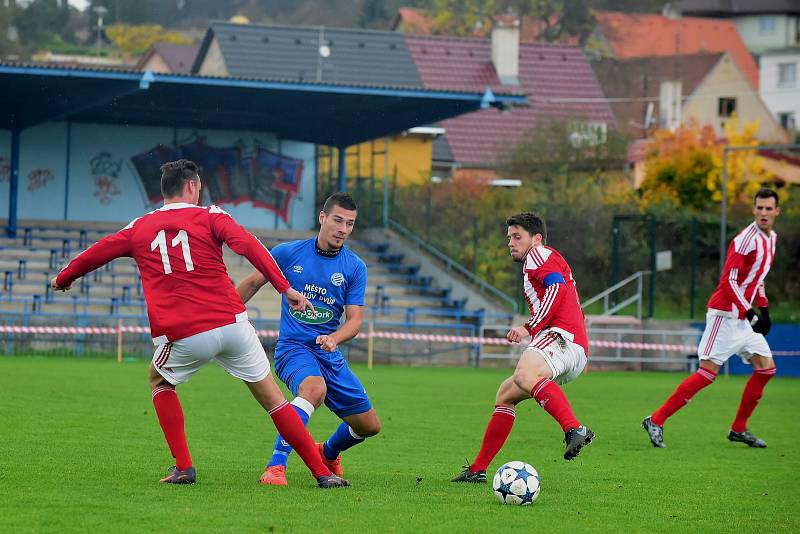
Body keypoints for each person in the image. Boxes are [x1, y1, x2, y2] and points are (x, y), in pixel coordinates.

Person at [52, 159, 347, 488]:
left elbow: (98, 252)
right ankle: (322, 474)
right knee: (276, 401)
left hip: (185, 332)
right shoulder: (212, 216)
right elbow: (251, 247)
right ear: (192, 186)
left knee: (159, 381)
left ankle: (184, 467)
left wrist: (65, 277)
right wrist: (285, 287)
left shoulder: (139, 228)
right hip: (234, 324)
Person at [236, 192, 380, 486]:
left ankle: (327, 452)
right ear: (322, 218)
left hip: (329, 353)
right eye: (338, 220)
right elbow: (250, 284)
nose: (343, 229)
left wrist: (335, 338)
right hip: (294, 349)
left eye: (350, 224)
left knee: (368, 426)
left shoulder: (354, 267)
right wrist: (222, 319)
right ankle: (276, 467)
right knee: (314, 388)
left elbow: (354, 320)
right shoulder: (288, 253)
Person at [452, 212, 593, 483]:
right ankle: (478, 469)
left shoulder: (538, 254)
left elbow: (557, 289)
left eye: (517, 237)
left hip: (561, 336)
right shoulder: (542, 259)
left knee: (524, 375)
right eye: (509, 238)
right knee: (506, 394)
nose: (511, 243)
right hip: (571, 345)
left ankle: (575, 429)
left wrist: (528, 327)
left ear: (536, 238)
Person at [643, 188, 780, 449]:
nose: (763, 213)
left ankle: (738, 429)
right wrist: (751, 313)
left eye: (768, 208)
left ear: (776, 211)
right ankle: (656, 420)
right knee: (707, 374)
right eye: (759, 208)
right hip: (725, 315)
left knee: (767, 369)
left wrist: (765, 310)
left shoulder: (771, 239)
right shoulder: (744, 240)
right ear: (753, 210)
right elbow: (728, 280)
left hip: (743, 317)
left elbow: (757, 279)